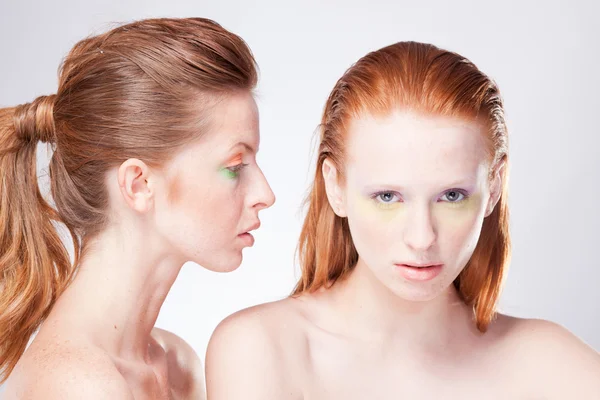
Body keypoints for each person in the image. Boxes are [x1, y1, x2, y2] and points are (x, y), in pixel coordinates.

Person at [205, 41, 600, 399]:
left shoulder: (547, 363)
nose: (422, 237)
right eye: (388, 197)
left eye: (451, 196)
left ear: (494, 187)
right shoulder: (260, 351)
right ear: (335, 187)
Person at [0, 17, 274, 399]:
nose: (265, 193)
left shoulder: (178, 365)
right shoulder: (77, 386)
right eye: (234, 168)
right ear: (139, 184)